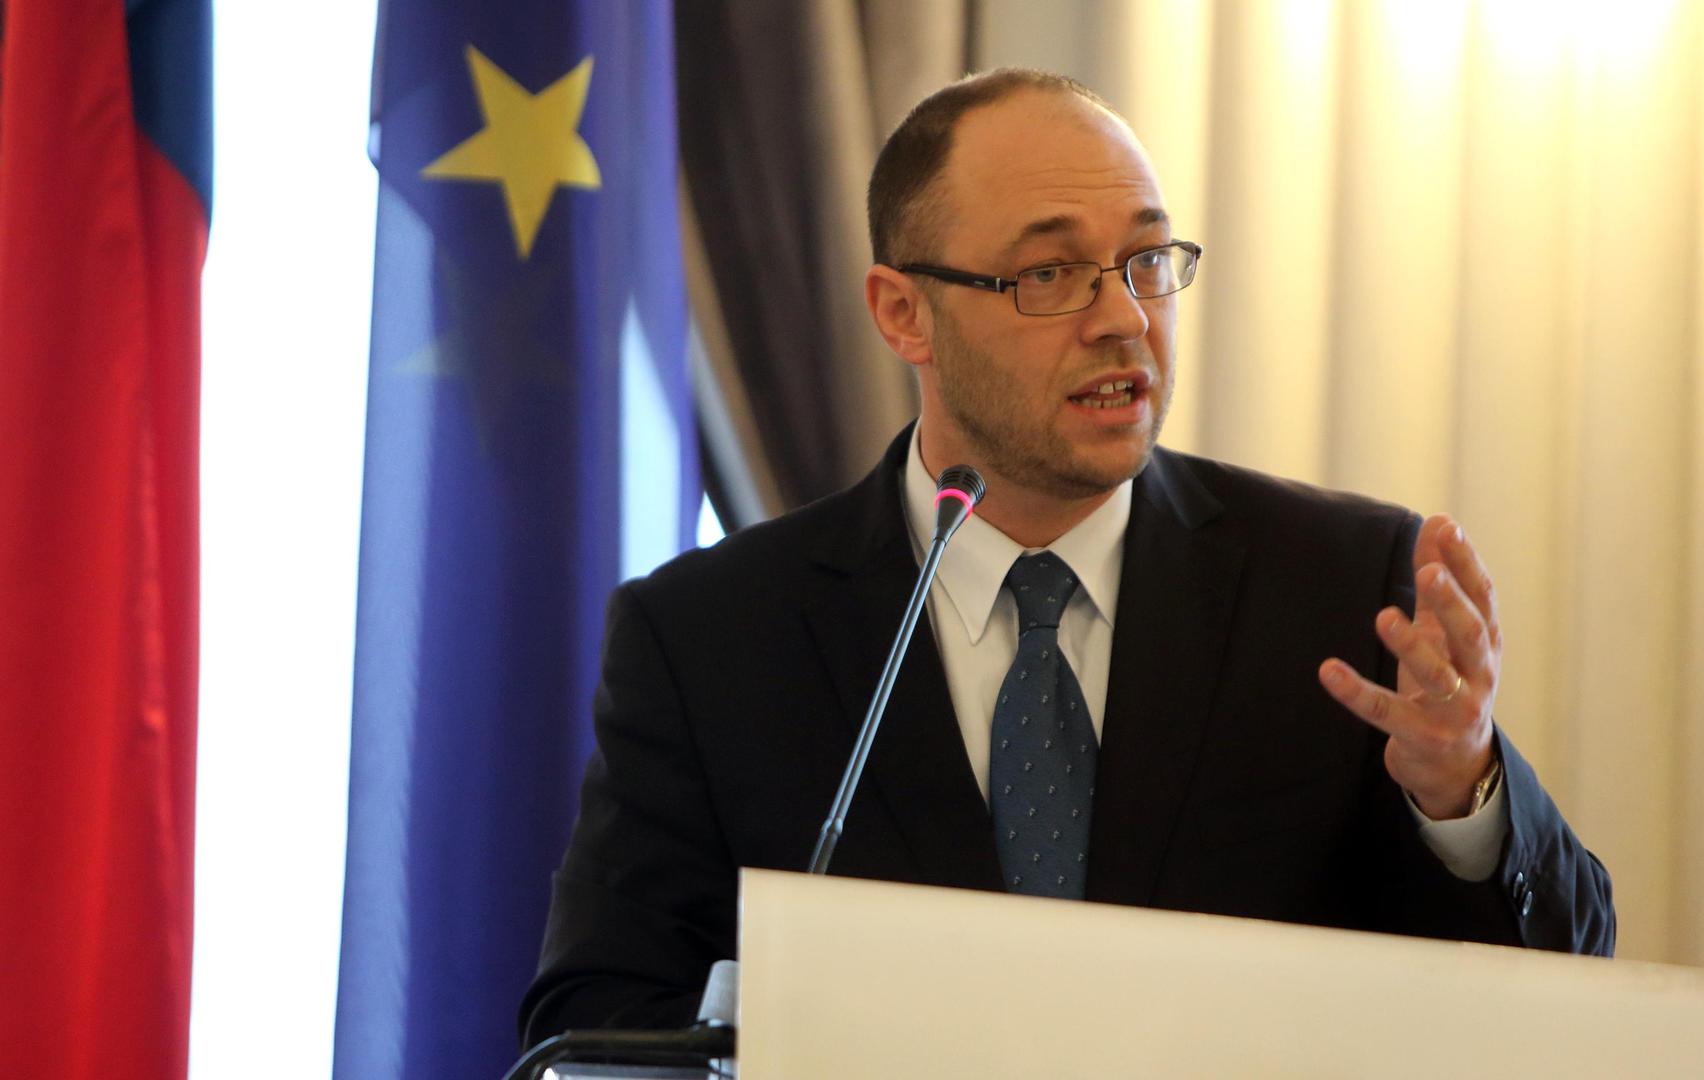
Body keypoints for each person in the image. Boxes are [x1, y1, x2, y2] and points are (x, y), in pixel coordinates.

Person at [519, 68, 1614, 1045]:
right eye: (1049, 273)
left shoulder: (1342, 588)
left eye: (1146, 261)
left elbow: (1569, 975)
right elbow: (593, 1025)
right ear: (904, 314)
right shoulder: (709, 638)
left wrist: (1462, 793)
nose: (1123, 319)